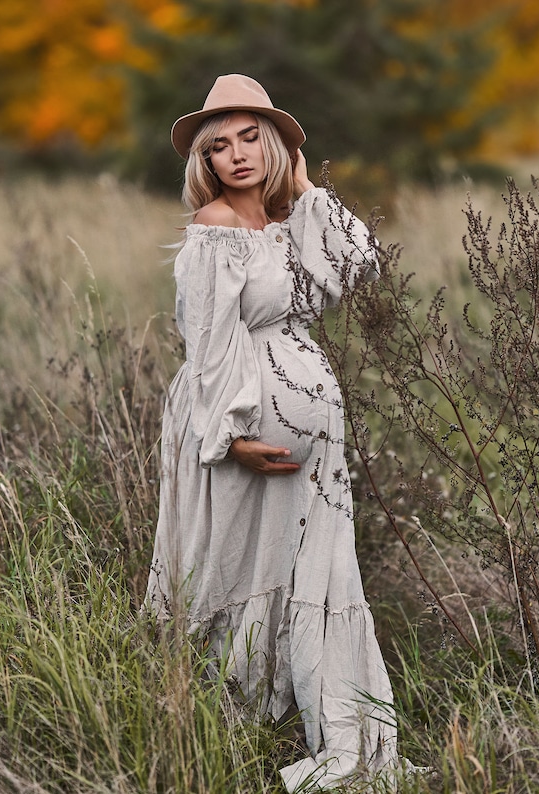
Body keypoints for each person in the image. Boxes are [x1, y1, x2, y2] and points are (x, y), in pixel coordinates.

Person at [146, 74, 403, 791]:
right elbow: (208, 341)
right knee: (232, 570)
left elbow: (361, 263)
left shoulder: (296, 224)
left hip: (316, 447)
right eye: (219, 144)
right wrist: (230, 438)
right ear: (205, 160)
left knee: (317, 576)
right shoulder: (215, 229)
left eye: (253, 137)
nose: (236, 155)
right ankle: (213, 722)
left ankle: (329, 725)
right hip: (235, 430)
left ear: (279, 142)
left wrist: (305, 185)